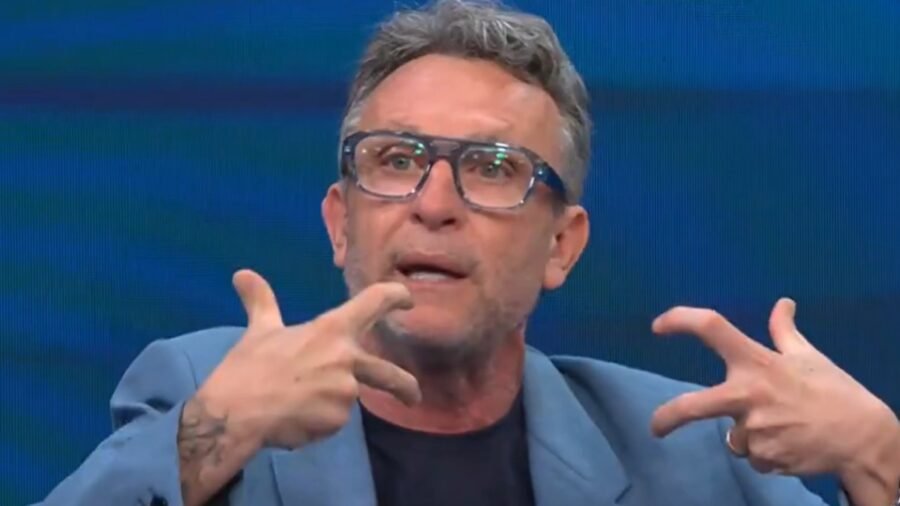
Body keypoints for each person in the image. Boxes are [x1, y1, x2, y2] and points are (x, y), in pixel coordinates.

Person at [39, 1, 899, 505]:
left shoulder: (689, 452)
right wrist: (205, 443)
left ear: (561, 245)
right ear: (340, 224)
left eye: (493, 168)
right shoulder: (206, 389)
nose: (434, 204)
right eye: (396, 160)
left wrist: (879, 458)